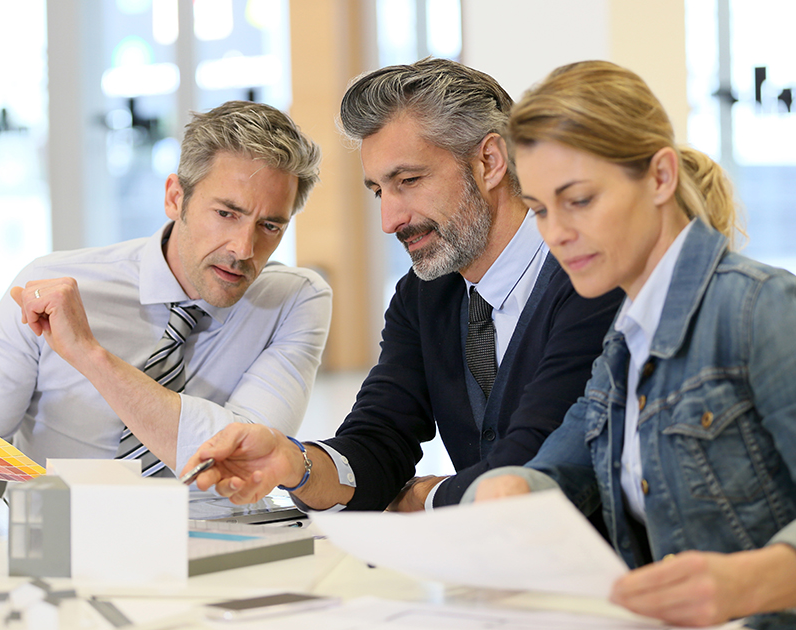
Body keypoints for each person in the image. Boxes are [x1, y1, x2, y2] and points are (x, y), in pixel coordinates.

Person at [462, 60, 796, 628]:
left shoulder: (763, 311)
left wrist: (752, 580)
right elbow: (556, 470)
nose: (557, 234)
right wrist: (511, 487)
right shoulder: (625, 341)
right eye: (542, 210)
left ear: (661, 178)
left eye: (580, 200)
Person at [183, 58, 622, 512]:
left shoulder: (589, 276)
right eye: (378, 190)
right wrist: (293, 462)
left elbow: (534, 465)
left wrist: (426, 498)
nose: (389, 220)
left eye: (408, 181)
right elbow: (377, 443)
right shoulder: (424, 294)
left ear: (490, 161)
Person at [0, 101, 332, 505]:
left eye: (270, 226)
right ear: (176, 197)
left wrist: (91, 356)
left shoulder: (295, 301)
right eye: (226, 213)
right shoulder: (47, 287)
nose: (244, 248)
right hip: (62, 547)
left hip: (216, 548)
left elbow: (241, 457)